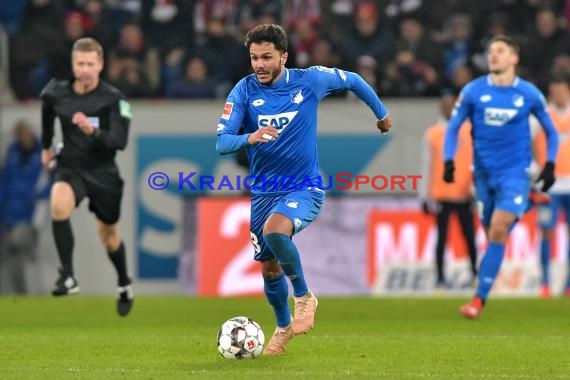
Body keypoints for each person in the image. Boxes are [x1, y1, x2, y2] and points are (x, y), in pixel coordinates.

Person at [215, 24, 391, 355]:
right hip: (264, 192)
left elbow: (353, 79)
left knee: (275, 232)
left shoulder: (310, 80)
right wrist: (248, 137)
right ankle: (282, 330)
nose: (260, 65)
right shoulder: (243, 90)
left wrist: (381, 114)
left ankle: (304, 296)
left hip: (305, 187)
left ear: (283, 56)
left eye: (267, 57)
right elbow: (222, 143)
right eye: (254, 58)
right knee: (268, 268)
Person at [443, 35, 559, 319]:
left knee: (497, 229)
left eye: (500, 50)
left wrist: (550, 164)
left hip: (514, 173)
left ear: (513, 58)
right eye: (490, 51)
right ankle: (529, 202)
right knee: (493, 233)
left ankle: (478, 300)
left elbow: (551, 131)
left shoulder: (529, 93)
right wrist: (448, 159)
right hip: (483, 175)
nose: (493, 55)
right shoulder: (473, 91)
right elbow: (454, 126)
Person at [39, 37, 134, 316]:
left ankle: (124, 282)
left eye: (90, 64)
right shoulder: (56, 93)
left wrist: (92, 131)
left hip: (103, 173)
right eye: (80, 63)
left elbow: (120, 141)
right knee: (58, 204)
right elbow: (47, 113)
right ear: (73, 64)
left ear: (101, 65)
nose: (85, 69)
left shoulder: (115, 99)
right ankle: (68, 275)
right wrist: (46, 147)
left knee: (109, 237)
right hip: (71, 167)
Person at [419, 94, 477, 291]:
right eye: (446, 106)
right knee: (442, 238)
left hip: (464, 193)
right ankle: (440, 277)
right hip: (441, 194)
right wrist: (424, 197)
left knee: (469, 236)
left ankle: (475, 274)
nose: (449, 109)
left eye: (452, 106)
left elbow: (476, 161)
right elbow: (426, 165)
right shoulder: (433, 133)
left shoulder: (468, 130)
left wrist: (477, 188)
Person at [0, 120, 51, 294]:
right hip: (10, 214)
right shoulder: (12, 154)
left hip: (30, 215)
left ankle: (35, 292)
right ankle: (22, 296)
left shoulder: (42, 155)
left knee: (18, 244)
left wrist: (35, 200)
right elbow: (4, 183)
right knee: (15, 259)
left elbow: (48, 183)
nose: (22, 137)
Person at [533, 74, 570, 298]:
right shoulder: (541, 115)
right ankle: (545, 283)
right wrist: (534, 168)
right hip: (549, 186)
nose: (557, 94)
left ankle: (567, 286)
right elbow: (525, 143)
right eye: (554, 91)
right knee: (546, 233)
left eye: (561, 90)